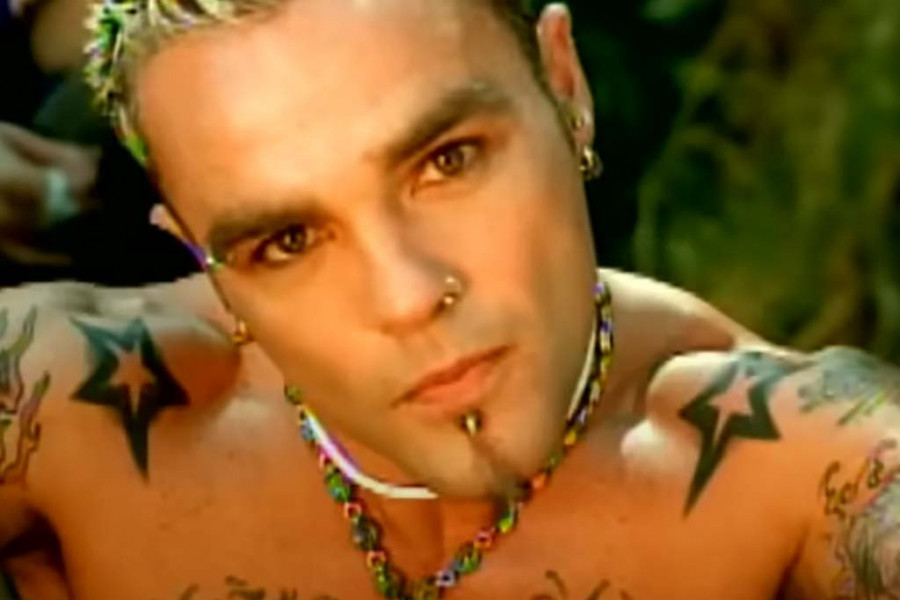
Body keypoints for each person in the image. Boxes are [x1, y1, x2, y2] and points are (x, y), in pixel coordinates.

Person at [0, 1, 898, 599]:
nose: (407, 298)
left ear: (565, 86)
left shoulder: (796, 467)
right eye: (288, 240)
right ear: (202, 256)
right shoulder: (71, 415)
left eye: (448, 161)